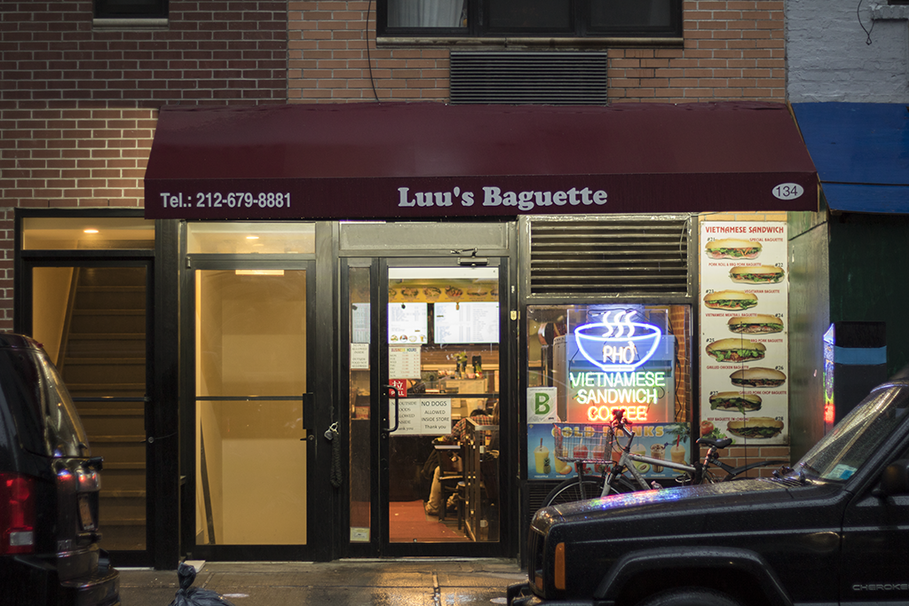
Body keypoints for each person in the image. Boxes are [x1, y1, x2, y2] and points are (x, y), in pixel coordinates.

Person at [424, 404, 497, 517]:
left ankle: (434, 506)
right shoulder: (494, 422)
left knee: (439, 470)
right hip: (488, 468)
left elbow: (447, 439)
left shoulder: (464, 422)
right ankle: (452, 501)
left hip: (468, 467)